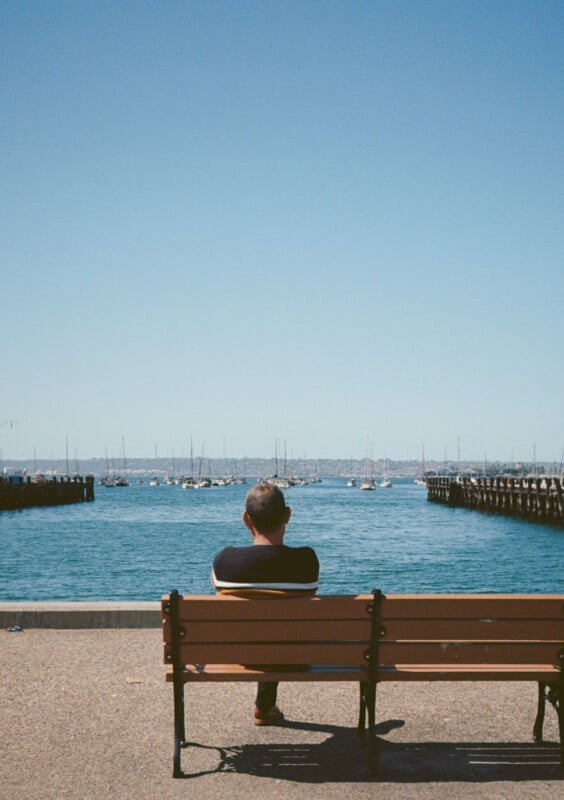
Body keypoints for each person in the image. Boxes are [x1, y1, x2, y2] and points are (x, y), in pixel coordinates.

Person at [211, 481, 319, 725]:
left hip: (243, 653)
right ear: (287, 516)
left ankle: (265, 705)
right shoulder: (306, 561)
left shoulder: (225, 560)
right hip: (294, 654)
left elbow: (214, 582)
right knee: (278, 630)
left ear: (246, 520)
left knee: (263, 631)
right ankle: (265, 706)